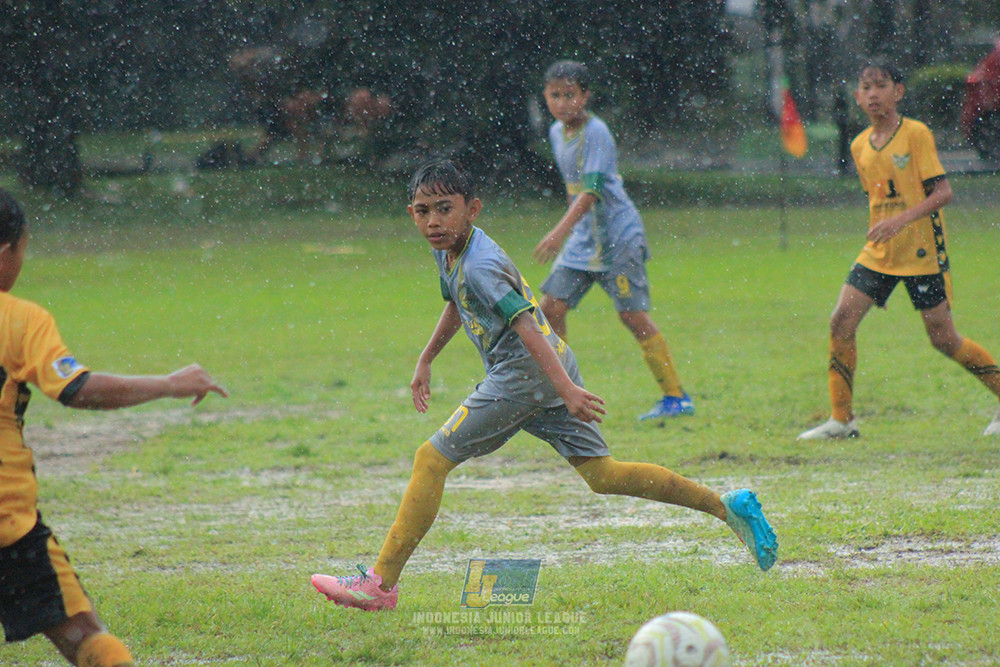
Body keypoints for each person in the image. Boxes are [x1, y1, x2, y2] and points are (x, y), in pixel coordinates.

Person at [310, 159, 777, 612]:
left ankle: (380, 584)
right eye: (423, 210)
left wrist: (567, 393)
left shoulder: (480, 265)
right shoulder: (450, 249)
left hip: (524, 373)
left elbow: (526, 325)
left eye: (444, 208)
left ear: (472, 208)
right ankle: (725, 506)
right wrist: (427, 357)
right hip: (550, 367)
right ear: (412, 213)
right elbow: (456, 302)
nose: (433, 220)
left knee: (430, 460)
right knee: (604, 475)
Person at [0, 189, 228, 665]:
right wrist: (169, 383)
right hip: (7, 525)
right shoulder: (18, 320)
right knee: (85, 638)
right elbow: (78, 390)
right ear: (7, 250)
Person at [798, 60, 1000, 440]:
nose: (873, 93)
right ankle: (841, 420)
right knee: (841, 321)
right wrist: (885, 231)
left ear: (898, 91)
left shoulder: (916, 134)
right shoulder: (859, 145)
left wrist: (901, 220)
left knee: (943, 339)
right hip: (879, 255)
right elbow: (878, 202)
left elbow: (943, 193)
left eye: (881, 85)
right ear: (858, 97)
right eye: (866, 87)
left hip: (921, 252)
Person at [532, 60, 693, 422]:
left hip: (618, 238)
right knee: (551, 309)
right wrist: (570, 233)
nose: (561, 103)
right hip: (583, 240)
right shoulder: (557, 133)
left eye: (569, 95)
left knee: (632, 315)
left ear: (585, 96)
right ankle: (564, 393)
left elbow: (590, 192)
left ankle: (676, 396)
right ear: (545, 97)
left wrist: (558, 232)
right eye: (554, 95)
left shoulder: (597, 132)